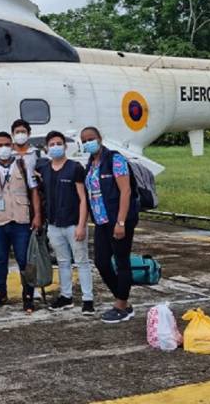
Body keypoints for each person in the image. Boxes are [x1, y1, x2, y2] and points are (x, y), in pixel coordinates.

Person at [80, 126, 139, 324]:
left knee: (122, 261)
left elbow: (126, 191)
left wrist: (121, 222)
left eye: (91, 138)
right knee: (101, 262)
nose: (88, 142)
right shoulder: (91, 165)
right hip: (101, 221)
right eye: (85, 140)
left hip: (117, 220)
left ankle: (121, 306)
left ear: (100, 138)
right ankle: (122, 298)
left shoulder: (115, 159)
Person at [0, 132, 41, 312]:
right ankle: (0, 293)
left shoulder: (23, 165)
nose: (4, 148)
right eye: (0, 145)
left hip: (21, 219)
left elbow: (34, 191)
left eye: (7, 144)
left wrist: (37, 216)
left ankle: (28, 295)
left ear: (12, 146)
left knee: (23, 259)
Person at [36, 130, 94, 315]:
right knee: (62, 262)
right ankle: (66, 296)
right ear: (46, 148)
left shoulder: (75, 168)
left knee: (82, 261)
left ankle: (87, 299)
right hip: (54, 224)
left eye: (58, 143)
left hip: (73, 224)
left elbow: (83, 198)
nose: (55, 147)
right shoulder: (44, 169)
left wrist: (81, 224)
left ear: (65, 146)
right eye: (51, 144)